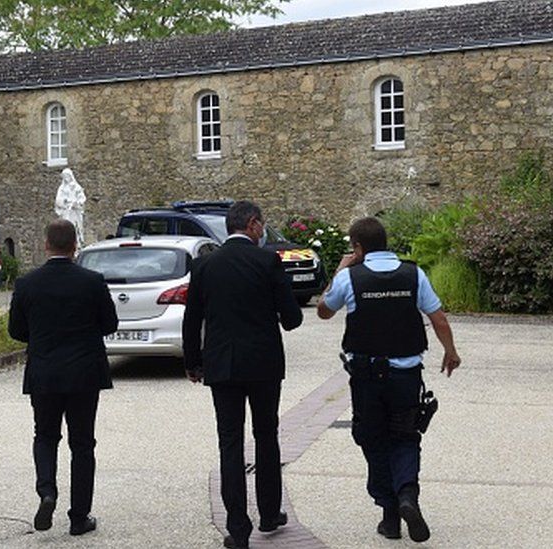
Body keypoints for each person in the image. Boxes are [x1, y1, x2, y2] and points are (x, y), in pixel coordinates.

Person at [316, 216, 461, 543]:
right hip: (406, 375)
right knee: (406, 435)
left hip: (367, 376)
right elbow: (437, 317)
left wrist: (340, 270)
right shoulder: (414, 274)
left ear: (357, 247)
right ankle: (407, 494)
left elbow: (324, 311)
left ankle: (389, 514)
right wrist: (450, 351)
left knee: (372, 438)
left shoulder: (350, 278)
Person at [182, 200, 303, 549]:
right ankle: (268, 511)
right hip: (264, 364)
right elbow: (292, 319)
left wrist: (193, 362)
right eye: (262, 224)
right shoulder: (267, 261)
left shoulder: (204, 265)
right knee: (267, 435)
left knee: (230, 441)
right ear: (252, 224)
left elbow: (193, 319)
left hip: (222, 364)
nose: (263, 230)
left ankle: (237, 526)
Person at [8, 219, 118, 536]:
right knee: (82, 444)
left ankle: (47, 491)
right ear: (75, 246)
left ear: (46, 245)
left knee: (45, 436)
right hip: (84, 373)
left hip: (44, 372)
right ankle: (79, 516)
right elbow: (109, 324)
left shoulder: (27, 284)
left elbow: (16, 331)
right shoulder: (92, 281)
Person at [54, 168, 87, 247]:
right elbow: (58, 200)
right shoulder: (62, 188)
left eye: (67, 176)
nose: (66, 178)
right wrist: (65, 201)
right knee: (65, 227)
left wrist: (76, 203)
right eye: (64, 176)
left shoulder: (76, 187)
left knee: (75, 228)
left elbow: (82, 198)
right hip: (66, 211)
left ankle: (77, 243)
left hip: (75, 212)